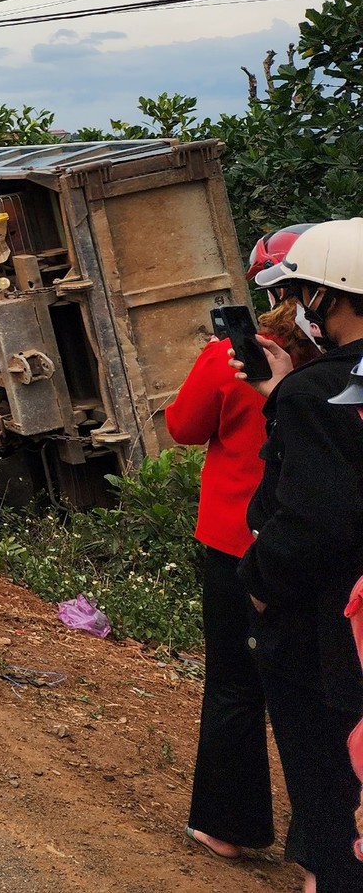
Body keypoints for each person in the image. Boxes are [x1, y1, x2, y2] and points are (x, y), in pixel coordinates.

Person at [168, 226, 316, 864]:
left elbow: (182, 427)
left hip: (237, 542)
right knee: (324, 690)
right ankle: (325, 846)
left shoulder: (236, 355)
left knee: (236, 682)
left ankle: (230, 826)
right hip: (326, 545)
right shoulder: (344, 364)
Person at [237, 218, 363, 892]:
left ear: (333, 298)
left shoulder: (316, 391)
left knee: (332, 786)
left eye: (308, 291)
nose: (303, 305)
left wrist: (257, 582)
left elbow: (316, 517)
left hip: (330, 628)